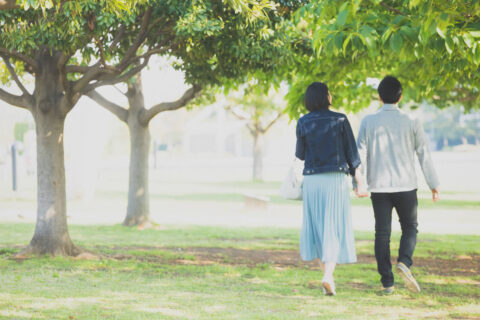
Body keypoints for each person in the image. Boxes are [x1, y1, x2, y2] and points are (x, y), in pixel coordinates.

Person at [356, 76, 440, 294]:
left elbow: (360, 155)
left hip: (379, 187)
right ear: (400, 97)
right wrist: (433, 183)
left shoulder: (368, 121)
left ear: (379, 96)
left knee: (382, 233)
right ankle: (404, 261)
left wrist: (358, 182)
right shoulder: (412, 121)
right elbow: (423, 154)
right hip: (406, 186)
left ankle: (388, 283)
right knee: (410, 228)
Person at [295, 82, 365, 296]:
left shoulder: (303, 122)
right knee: (332, 228)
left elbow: (300, 156)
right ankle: (328, 276)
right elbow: (353, 155)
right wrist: (359, 182)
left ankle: (328, 277)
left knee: (317, 229)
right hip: (335, 179)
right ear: (326, 96)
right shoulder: (340, 119)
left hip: (312, 181)